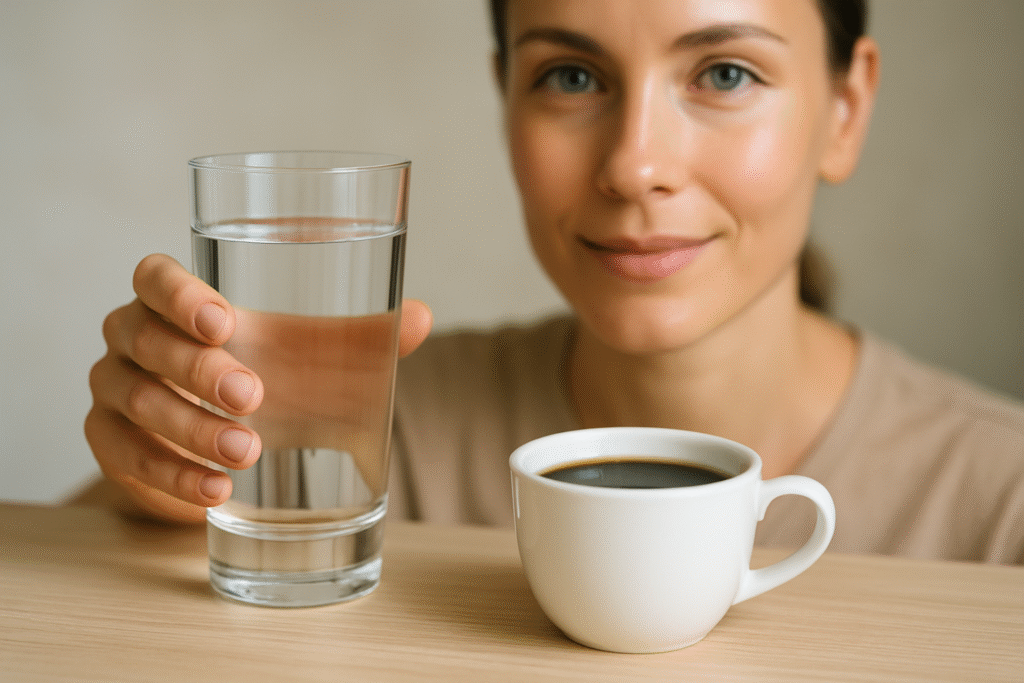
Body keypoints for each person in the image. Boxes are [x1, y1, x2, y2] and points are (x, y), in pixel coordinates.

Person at [82, 0, 1024, 564]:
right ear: (506, 101)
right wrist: (160, 481)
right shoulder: (379, 420)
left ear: (847, 109)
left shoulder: (999, 504)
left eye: (725, 73)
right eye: (571, 77)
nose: (633, 165)